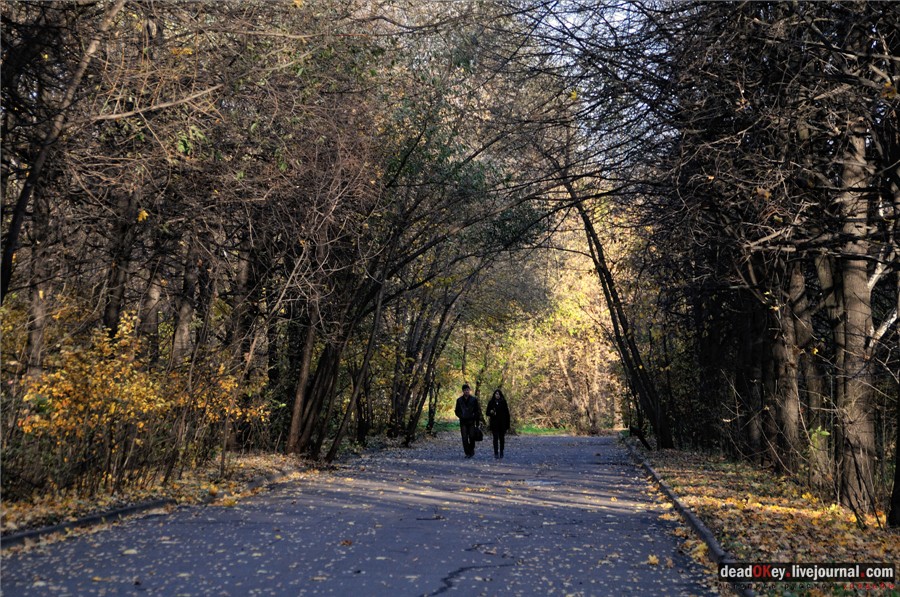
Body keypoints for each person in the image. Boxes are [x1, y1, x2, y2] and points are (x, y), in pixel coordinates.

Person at [454, 383, 483, 458]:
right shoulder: (459, 400)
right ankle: (467, 453)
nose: (466, 391)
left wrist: (476, 421)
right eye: (465, 390)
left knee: (472, 437)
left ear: (469, 390)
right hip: (463, 422)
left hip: (471, 421)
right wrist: (461, 416)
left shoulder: (474, 400)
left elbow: (477, 411)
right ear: (463, 391)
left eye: (468, 390)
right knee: (464, 438)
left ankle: (471, 450)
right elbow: (457, 411)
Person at [485, 388, 511, 459]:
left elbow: (507, 414)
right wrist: (491, 412)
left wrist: (507, 425)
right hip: (494, 423)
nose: (497, 395)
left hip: (502, 423)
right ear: (494, 395)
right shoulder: (491, 402)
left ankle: (501, 451)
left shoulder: (503, 402)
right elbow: (487, 412)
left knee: (502, 438)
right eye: (496, 394)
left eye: (498, 394)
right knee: (495, 438)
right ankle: (496, 452)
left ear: (500, 395)